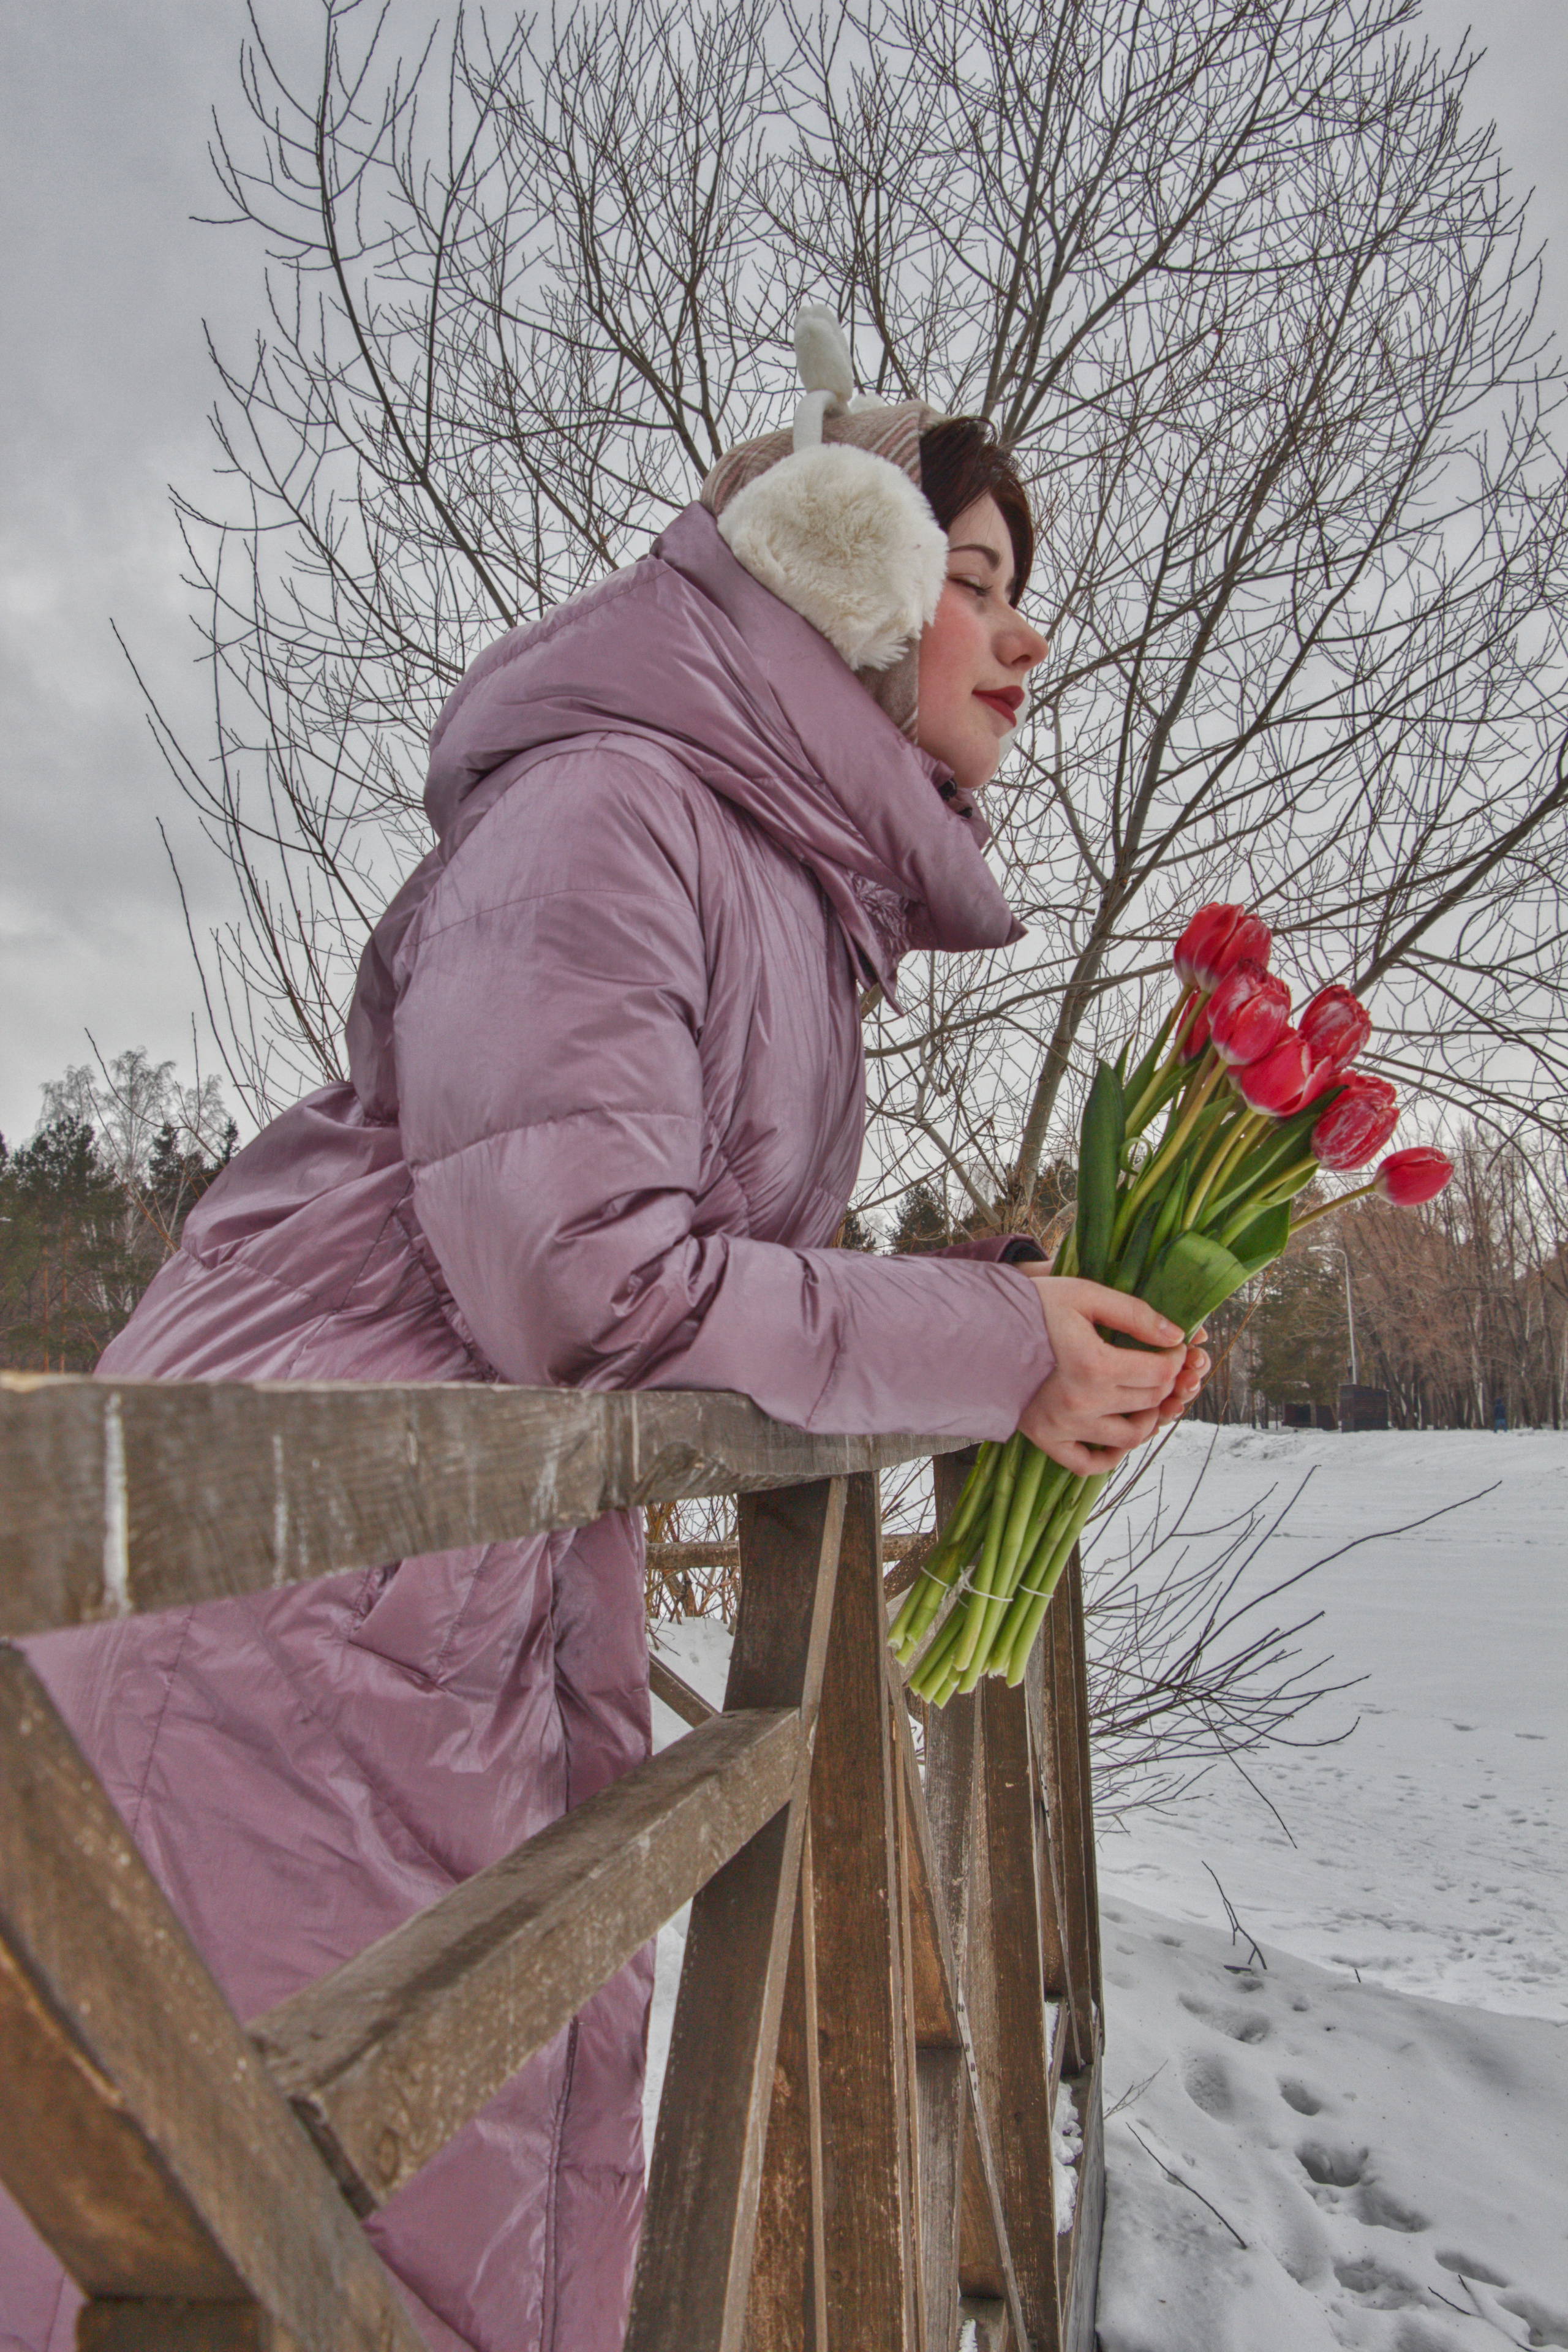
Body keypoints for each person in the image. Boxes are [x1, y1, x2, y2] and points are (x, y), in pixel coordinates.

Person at [1, 310, 1205, 2352]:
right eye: (975, 587)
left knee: (444, 2186)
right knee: (264, 2208)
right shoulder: (613, 811)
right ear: (845, 570)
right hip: (303, 1604)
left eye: (1027, 600)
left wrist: (988, 1308)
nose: (1024, 644)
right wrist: (992, 1353)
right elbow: (591, 1284)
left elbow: (666, 1269)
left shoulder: (770, 876)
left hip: (448, 1603)